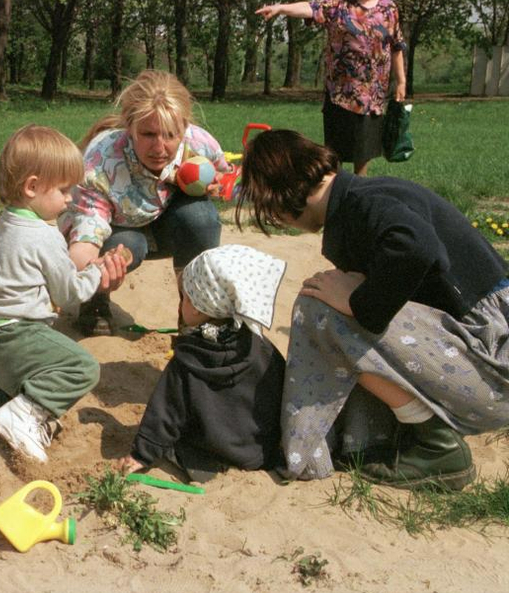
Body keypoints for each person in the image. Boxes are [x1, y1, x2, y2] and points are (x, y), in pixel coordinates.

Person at [237, 129, 509, 491]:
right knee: (337, 302)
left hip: (493, 373)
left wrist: (357, 302)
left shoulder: (364, 204)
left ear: (281, 194)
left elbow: (418, 248)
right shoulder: (366, 196)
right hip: (485, 363)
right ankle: (384, 434)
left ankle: (437, 445)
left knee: (320, 309)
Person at [0, 125, 127, 463]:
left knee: (20, 391)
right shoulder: (44, 235)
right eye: (64, 190)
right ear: (32, 187)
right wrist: (97, 271)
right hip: (22, 334)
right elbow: (69, 294)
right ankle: (23, 418)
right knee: (83, 368)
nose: (69, 199)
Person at [58, 70, 229, 336]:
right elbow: (87, 238)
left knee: (201, 217)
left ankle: (194, 310)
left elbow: (228, 177)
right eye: (148, 134)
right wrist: (88, 273)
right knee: (130, 244)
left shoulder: (199, 143)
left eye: (170, 135)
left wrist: (219, 185)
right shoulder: (100, 165)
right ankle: (93, 300)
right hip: (115, 233)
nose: (159, 148)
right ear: (129, 127)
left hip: (162, 223)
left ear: (184, 127)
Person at [116, 245, 287, 482]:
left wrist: (142, 454)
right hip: (257, 455)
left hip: (208, 455)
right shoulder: (262, 348)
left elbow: (166, 412)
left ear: (197, 309)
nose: (181, 304)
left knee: (177, 441)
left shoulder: (188, 359)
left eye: (184, 298)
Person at [256, 0, 407, 176]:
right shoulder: (338, 5)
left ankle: (359, 189)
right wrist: (281, 8)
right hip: (339, 94)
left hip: (371, 97)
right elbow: (310, 8)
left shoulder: (389, 9)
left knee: (363, 156)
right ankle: (334, 188)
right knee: (334, 155)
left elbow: (396, 46)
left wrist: (401, 81)